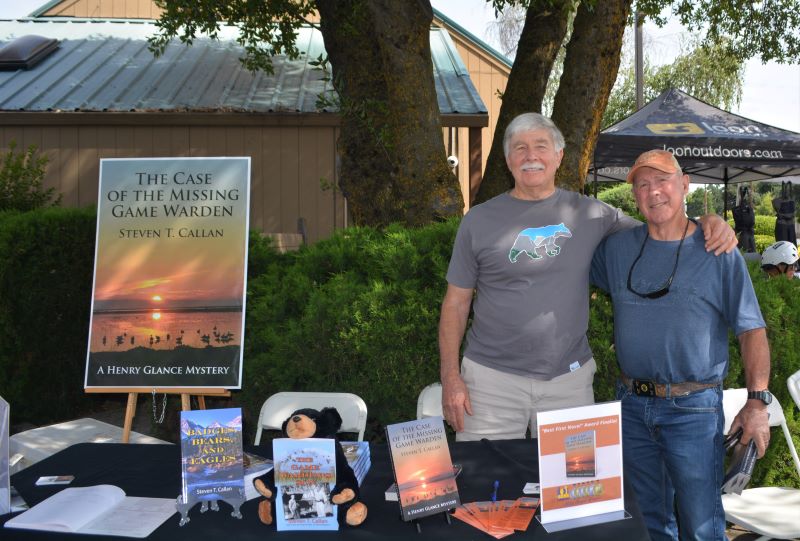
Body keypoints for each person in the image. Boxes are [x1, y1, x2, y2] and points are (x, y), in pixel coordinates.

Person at [439, 112, 738, 441]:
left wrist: (707, 220)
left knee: (575, 489)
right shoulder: (478, 221)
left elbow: (663, 228)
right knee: (486, 488)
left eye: (541, 146)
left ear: (559, 156)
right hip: (490, 382)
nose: (531, 156)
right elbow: (456, 303)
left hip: (568, 384)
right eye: (520, 148)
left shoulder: (591, 213)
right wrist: (451, 377)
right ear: (508, 159)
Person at [590, 149, 771, 541]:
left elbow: (751, 329)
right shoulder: (618, 250)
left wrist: (757, 402)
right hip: (632, 408)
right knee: (647, 524)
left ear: (685, 185)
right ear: (634, 195)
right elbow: (564, 262)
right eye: (643, 184)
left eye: (663, 180)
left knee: (702, 526)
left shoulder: (719, 251)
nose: (654, 192)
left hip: (693, 410)